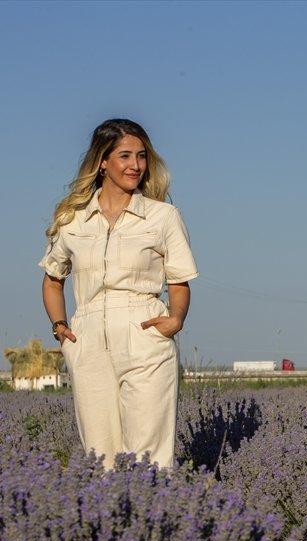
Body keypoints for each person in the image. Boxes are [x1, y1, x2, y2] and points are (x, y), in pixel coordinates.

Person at [40, 118, 199, 469]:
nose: (135, 165)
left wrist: (175, 320)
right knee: (100, 455)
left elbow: (179, 281)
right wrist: (60, 327)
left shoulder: (163, 216)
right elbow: (52, 280)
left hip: (144, 330)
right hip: (87, 335)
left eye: (141, 156)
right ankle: (109, 506)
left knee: (149, 454)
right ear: (102, 162)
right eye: (125, 156)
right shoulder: (71, 220)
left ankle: (152, 504)